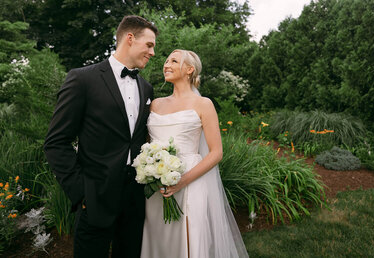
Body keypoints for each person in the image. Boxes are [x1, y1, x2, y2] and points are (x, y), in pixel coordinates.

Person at [43, 15, 158, 257]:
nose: (153, 52)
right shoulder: (82, 79)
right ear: (129, 38)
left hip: (134, 202)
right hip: (94, 199)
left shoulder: (146, 88)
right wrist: (81, 192)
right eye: (149, 45)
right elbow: (56, 142)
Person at [141, 49, 249, 258]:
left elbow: (216, 152)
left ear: (190, 70)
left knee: (190, 238)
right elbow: (147, 144)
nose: (166, 64)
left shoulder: (203, 104)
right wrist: (149, 169)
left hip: (191, 180)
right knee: (160, 238)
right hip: (156, 185)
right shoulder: (156, 104)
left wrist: (181, 181)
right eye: (166, 61)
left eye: (174, 60)